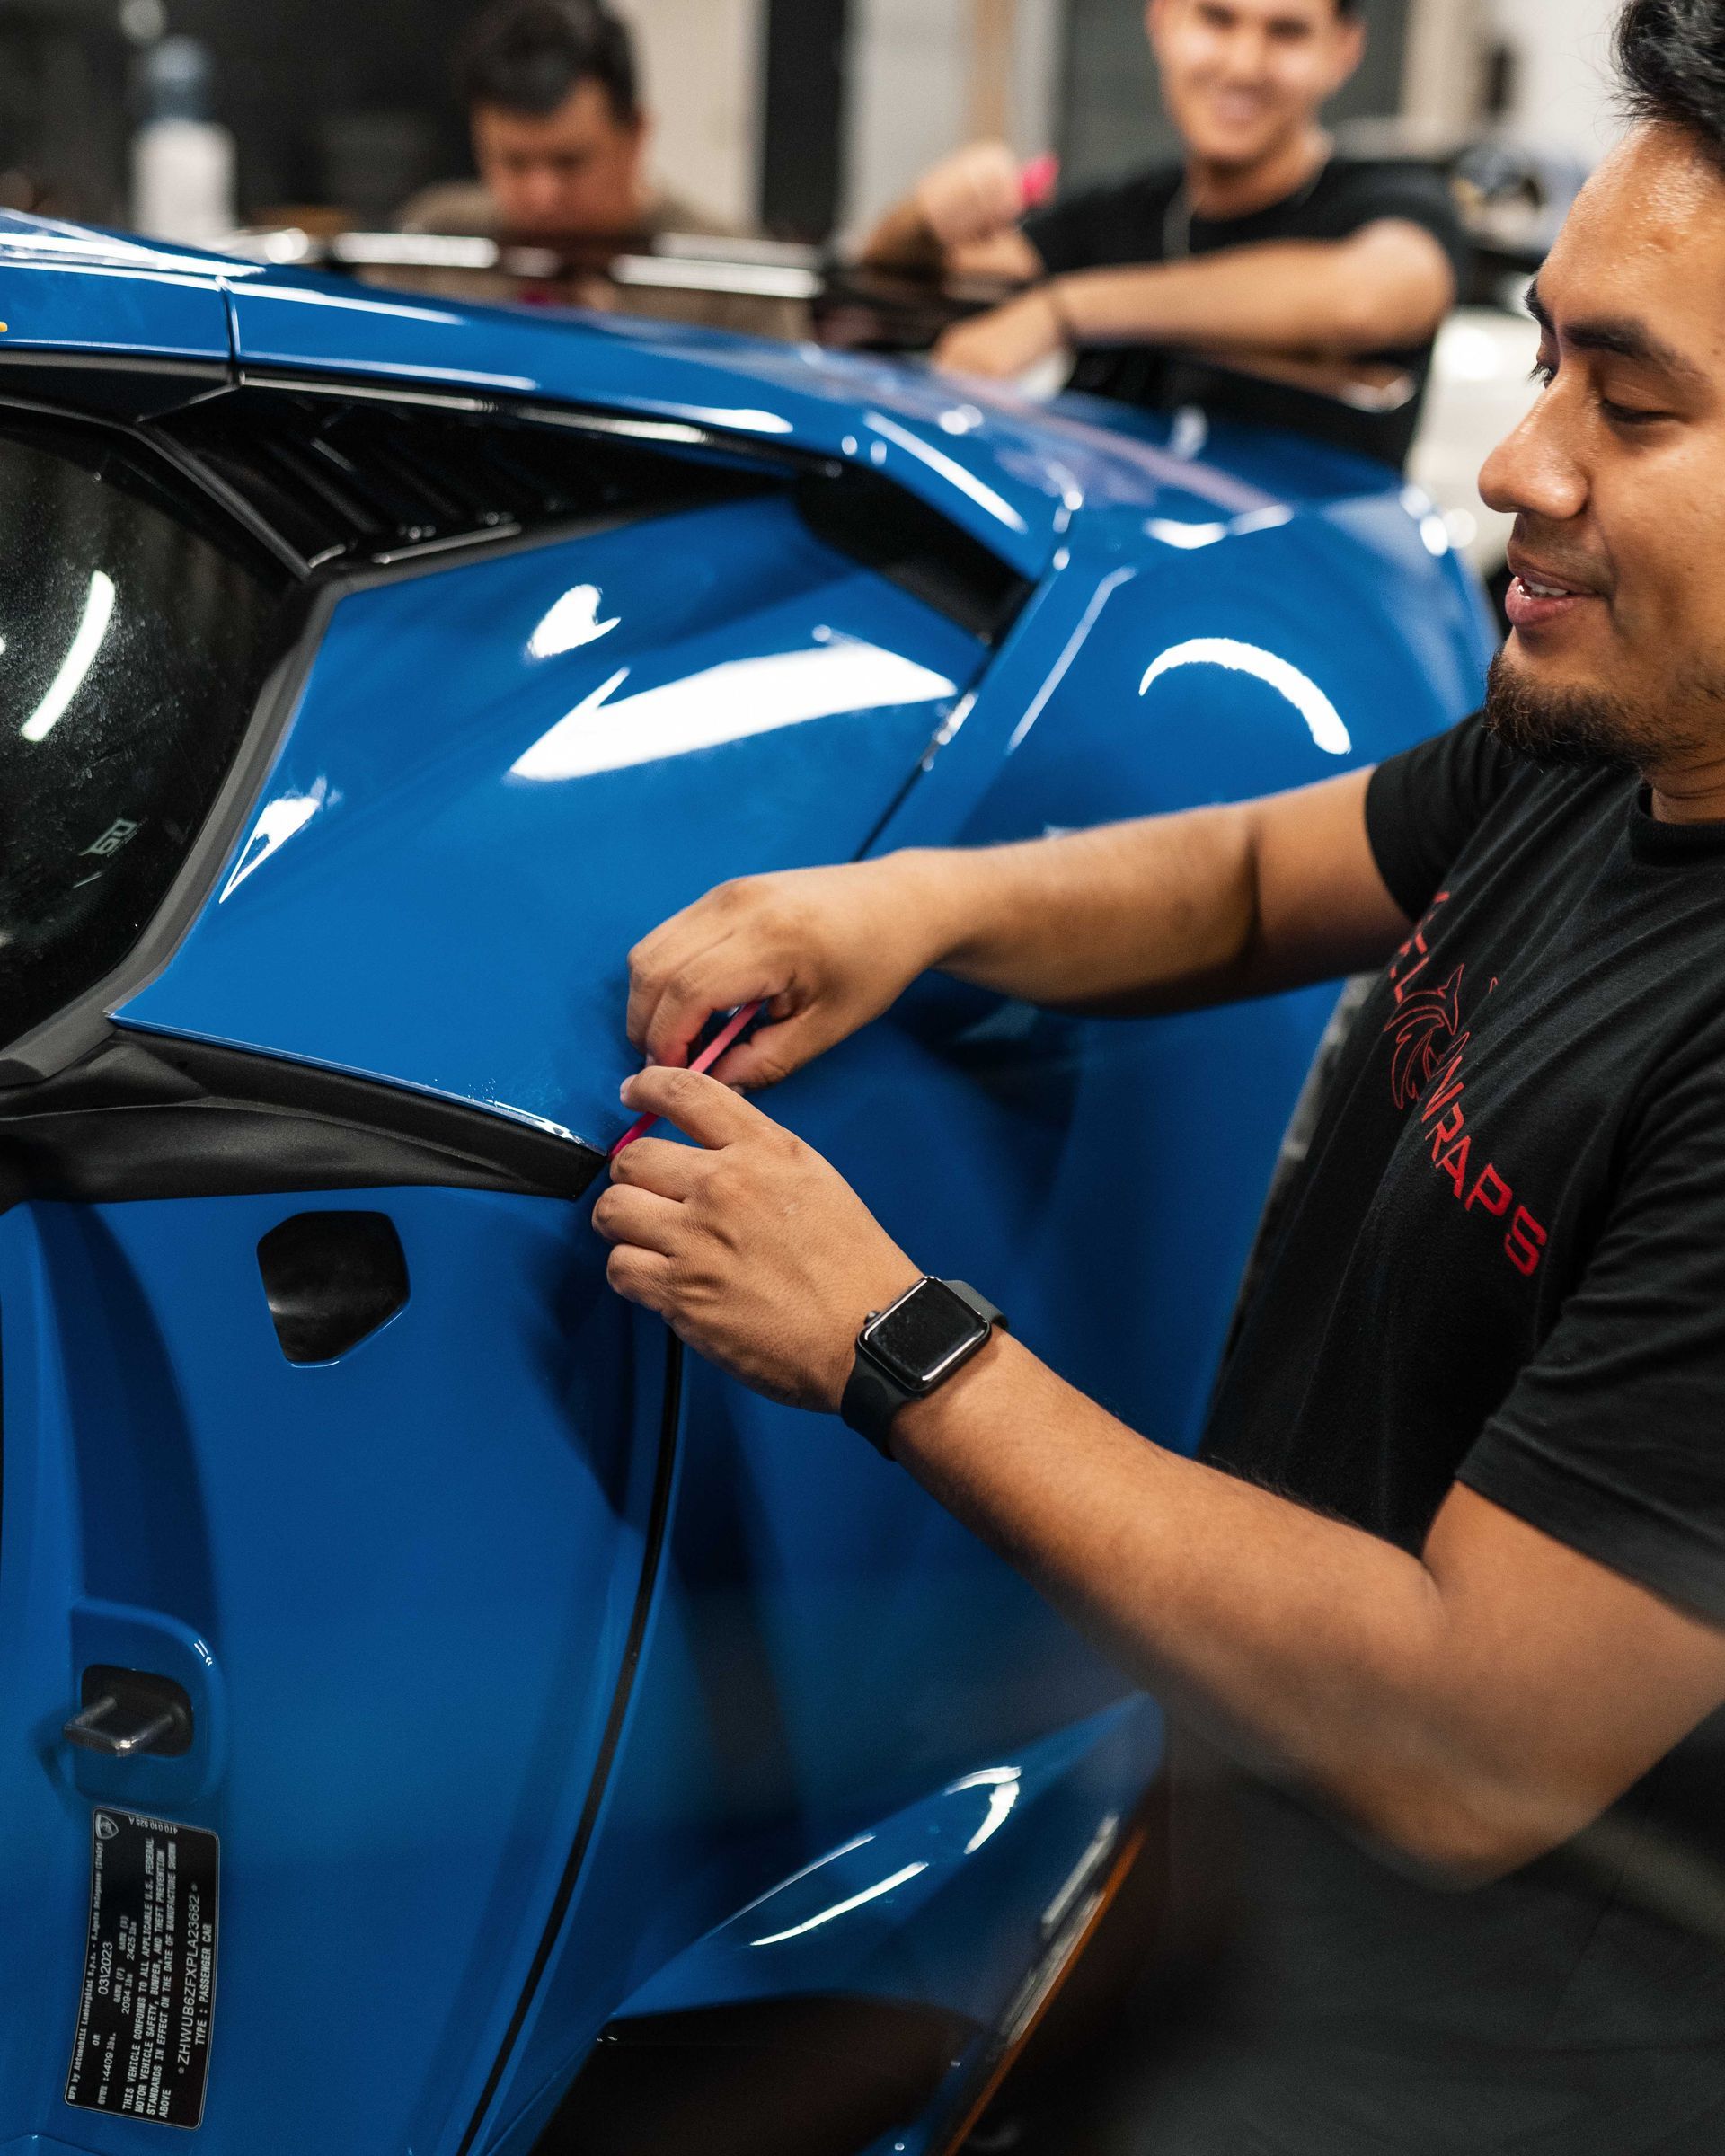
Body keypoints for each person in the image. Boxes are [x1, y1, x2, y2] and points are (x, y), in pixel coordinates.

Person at [594, 1, 1725, 2145]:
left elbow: (1467, 1735)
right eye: (1550, 349)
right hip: (1263, 1885)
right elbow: (1243, 878)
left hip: (1496, 2071)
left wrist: (886, 1331)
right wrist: (910, 908)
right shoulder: (1602, 738)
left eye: (1632, 402)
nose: (1517, 457)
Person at [864, 0, 1467, 472]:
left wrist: (1064, 311)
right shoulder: (1123, 208)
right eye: (1216, 17)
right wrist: (924, 214)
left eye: (1286, 32)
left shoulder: (1391, 197)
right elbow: (908, 279)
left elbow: (1368, 298)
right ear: (1163, 20)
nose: (1243, 64)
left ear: (1343, 50)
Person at [396, 0, 803, 338]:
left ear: (636, 135)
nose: (542, 195)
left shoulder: (734, 281)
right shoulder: (430, 243)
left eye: (569, 161)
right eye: (514, 162)